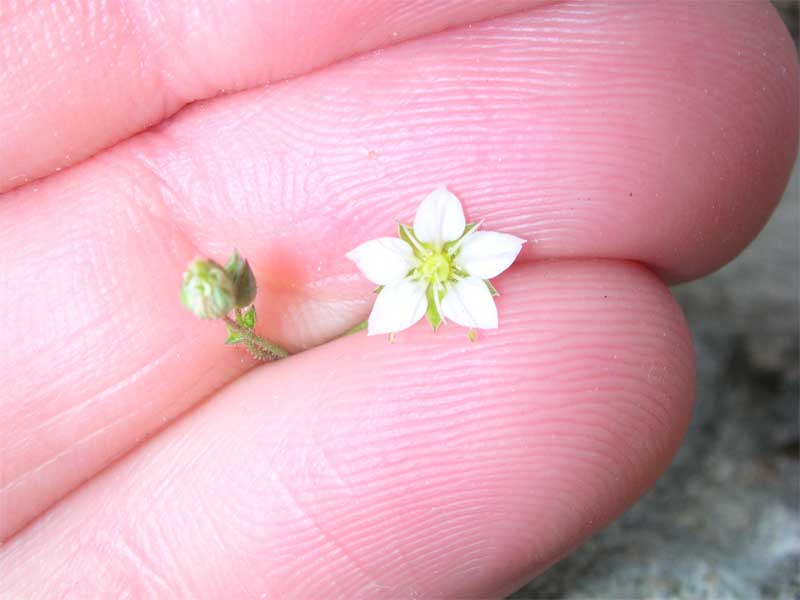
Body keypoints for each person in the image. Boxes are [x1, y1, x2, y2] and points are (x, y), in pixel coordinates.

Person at [0, 0, 796, 597]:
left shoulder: (424, 273)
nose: (442, 265)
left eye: (442, 260)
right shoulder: (399, 278)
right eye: (437, 261)